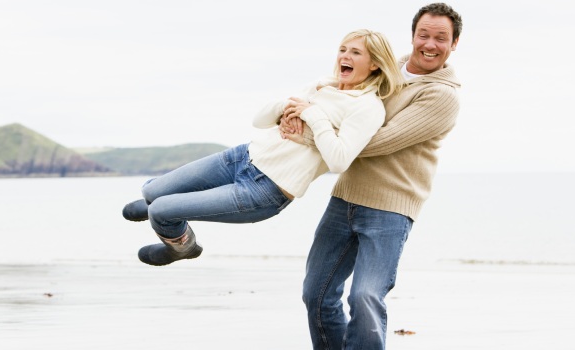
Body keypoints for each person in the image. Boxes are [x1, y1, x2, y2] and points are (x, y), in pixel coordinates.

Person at [121, 29, 403, 267]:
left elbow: (340, 159)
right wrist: (286, 107)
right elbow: (259, 121)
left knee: (161, 211)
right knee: (151, 192)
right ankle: (158, 207)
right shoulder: (322, 85)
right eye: (343, 49)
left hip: (263, 190)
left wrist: (313, 116)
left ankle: (181, 247)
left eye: (355, 52)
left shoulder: (367, 108)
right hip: (241, 157)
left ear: (375, 63)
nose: (344, 56)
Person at [278, 3, 463, 349]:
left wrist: (308, 129)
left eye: (441, 38)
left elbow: (376, 141)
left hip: (390, 210)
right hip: (345, 197)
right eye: (424, 34)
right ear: (412, 36)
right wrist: (295, 114)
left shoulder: (442, 96)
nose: (430, 43)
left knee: (365, 297)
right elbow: (338, 98)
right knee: (315, 293)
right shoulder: (383, 71)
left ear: (454, 45)